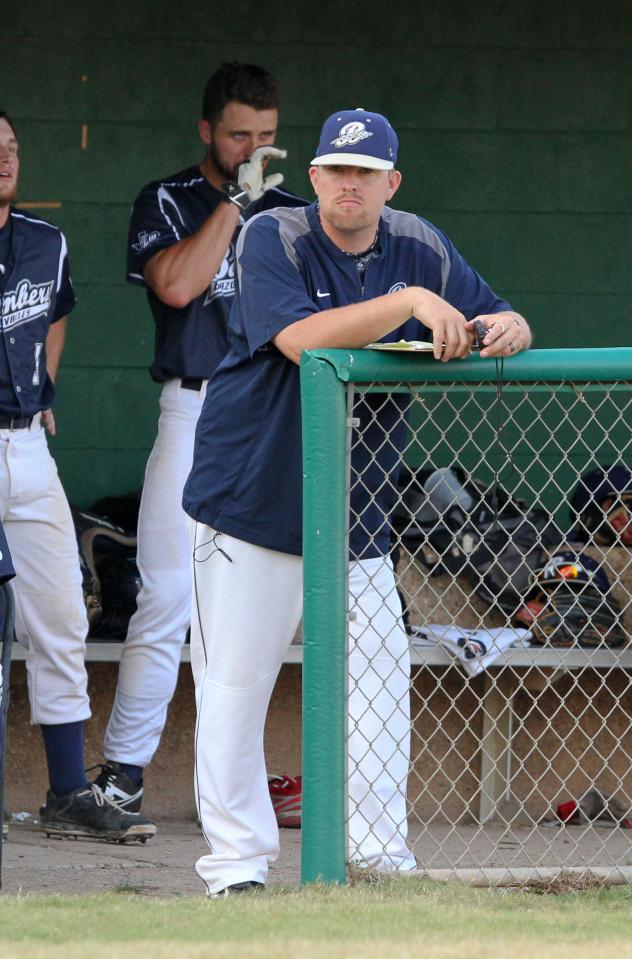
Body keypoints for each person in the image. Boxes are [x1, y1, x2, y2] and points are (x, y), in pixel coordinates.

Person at [182, 106, 533, 897]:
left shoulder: (418, 240)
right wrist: (410, 300)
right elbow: (301, 340)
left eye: (366, 173)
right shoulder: (273, 234)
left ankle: (377, 858)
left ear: (390, 183)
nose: (351, 184)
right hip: (251, 503)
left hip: (358, 513)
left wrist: (507, 326)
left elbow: (500, 310)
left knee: (378, 684)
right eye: (337, 170)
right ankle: (236, 868)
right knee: (235, 689)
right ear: (313, 177)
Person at [94, 63, 308, 815]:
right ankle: (122, 773)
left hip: (266, 418)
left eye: (268, 137)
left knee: (256, 609)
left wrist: (262, 205)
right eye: (240, 134)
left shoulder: (291, 215)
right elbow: (179, 286)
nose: (254, 148)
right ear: (208, 131)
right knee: (168, 595)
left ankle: (240, 791)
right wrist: (232, 205)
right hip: (192, 406)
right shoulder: (169, 198)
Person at [0, 110, 155, 842]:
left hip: (28, 448)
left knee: (60, 614)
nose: (5, 160)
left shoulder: (45, 241)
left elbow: (57, 310)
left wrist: (45, 384)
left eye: (12, 149)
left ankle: (65, 791)